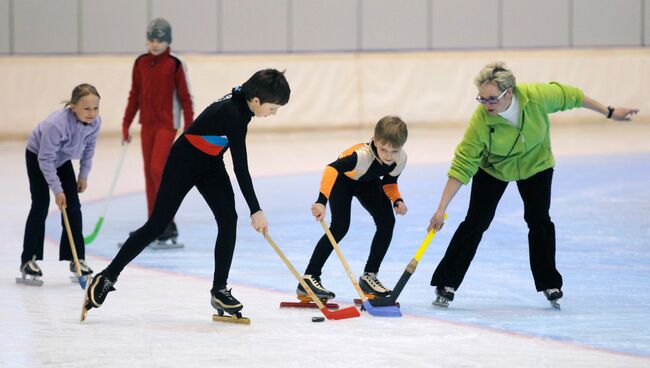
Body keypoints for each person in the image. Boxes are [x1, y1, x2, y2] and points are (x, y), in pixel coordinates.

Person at [427, 61, 639, 308]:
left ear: (509, 92)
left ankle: (550, 283)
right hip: (494, 168)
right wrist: (441, 208)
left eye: (492, 99)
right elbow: (462, 163)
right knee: (476, 221)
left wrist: (610, 112)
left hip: (536, 164)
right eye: (482, 99)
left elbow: (573, 96)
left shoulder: (536, 97)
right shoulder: (481, 122)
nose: (486, 105)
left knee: (539, 220)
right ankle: (446, 282)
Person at [83, 69, 290, 318]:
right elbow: (241, 168)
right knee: (158, 224)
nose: (273, 113)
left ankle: (220, 291)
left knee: (228, 220)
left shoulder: (243, 102)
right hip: (184, 160)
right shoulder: (234, 114)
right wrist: (256, 209)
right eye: (273, 107)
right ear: (256, 100)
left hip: (211, 162)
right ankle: (106, 277)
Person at [298, 116, 409, 301]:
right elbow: (331, 169)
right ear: (374, 139)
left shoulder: (400, 159)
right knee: (340, 227)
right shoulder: (362, 156)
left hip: (366, 181)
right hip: (342, 180)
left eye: (394, 151)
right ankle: (309, 278)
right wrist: (321, 201)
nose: (388, 156)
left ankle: (369, 277)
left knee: (387, 222)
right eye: (383, 149)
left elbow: (389, 182)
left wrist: (397, 199)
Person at [19, 84, 102, 283]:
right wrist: (57, 190)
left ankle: (76, 259)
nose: (91, 113)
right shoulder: (57, 125)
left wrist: (83, 176)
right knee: (40, 205)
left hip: (62, 159)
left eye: (95, 108)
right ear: (73, 107)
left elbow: (89, 150)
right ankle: (29, 259)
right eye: (86, 108)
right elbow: (45, 160)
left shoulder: (95, 123)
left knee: (73, 206)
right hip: (39, 157)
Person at [122, 17, 194, 243]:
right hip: (148, 125)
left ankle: (167, 221)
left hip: (166, 124)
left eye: (160, 40)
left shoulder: (175, 64)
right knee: (148, 174)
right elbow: (134, 94)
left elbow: (185, 98)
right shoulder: (140, 62)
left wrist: (189, 128)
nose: (154, 44)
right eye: (151, 39)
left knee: (157, 170)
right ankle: (154, 223)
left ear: (168, 41)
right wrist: (126, 123)